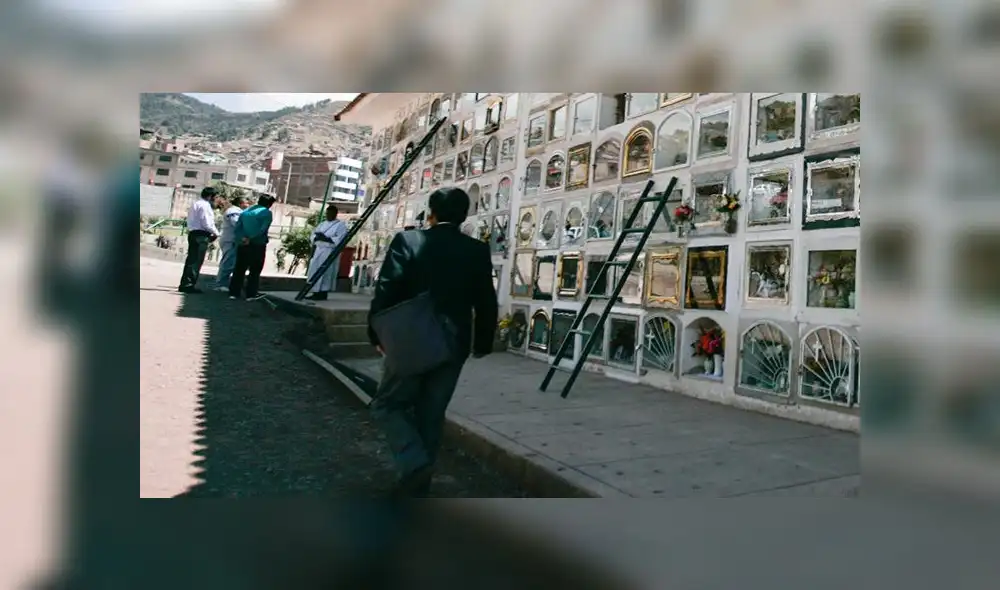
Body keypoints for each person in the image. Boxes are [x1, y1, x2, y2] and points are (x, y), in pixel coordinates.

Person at [367, 186, 498, 497]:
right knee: (431, 413)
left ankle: (413, 463)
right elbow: (486, 301)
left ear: (431, 213)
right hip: (454, 344)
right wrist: (483, 342)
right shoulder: (476, 250)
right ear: (465, 216)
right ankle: (418, 488)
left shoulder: (408, 241)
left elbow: (386, 289)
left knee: (388, 404)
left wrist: (376, 332)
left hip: (412, 339)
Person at [228, 194, 276, 301]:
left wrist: (243, 238)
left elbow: (237, 228)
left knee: (239, 269)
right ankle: (250, 294)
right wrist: (251, 238)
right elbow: (263, 229)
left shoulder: (245, 212)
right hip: (257, 244)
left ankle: (234, 293)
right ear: (269, 204)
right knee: (255, 270)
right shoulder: (266, 213)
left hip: (243, 244)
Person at [177, 186, 220, 293]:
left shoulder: (196, 204)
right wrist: (216, 233)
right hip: (201, 235)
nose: (216, 200)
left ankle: (185, 283)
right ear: (210, 196)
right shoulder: (205, 206)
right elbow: (207, 223)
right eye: (215, 197)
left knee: (191, 259)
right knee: (196, 260)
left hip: (193, 233)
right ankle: (189, 285)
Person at [304, 204, 349, 301]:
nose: (329, 215)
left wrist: (326, 239)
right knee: (314, 270)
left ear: (335, 214)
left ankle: (323, 293)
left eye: (331, 213)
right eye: (327, 213)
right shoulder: (322, 224)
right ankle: (315, 292)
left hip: (329, 251)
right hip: (319, 250)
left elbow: (340, 239)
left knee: (326, 273)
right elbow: (313, 235)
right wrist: (316, 238)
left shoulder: (340, 225)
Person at [214, 194, 248, 291]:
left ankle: (222, 283)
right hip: (230, 240)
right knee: (227, 262)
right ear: (241, 203)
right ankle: (220, 284)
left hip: (230, 240)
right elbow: (236, 224)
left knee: (229, 262)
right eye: (246, 203)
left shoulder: (236, 211)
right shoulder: (234, 211)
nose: (247, 205)